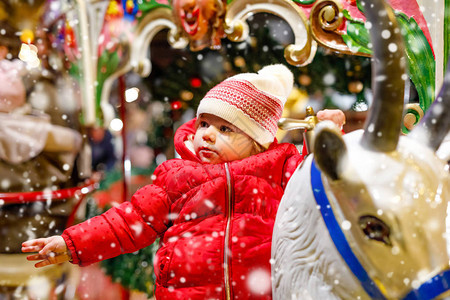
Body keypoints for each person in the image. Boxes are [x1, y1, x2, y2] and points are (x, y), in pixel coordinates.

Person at [22, 64, 345, 299]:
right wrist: (73, 243)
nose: (206, 134)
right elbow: (129, 221)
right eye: (204, 123)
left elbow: (322, 181)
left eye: (226, 129)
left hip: (264, 291)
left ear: (258, 140)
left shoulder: (280, 168)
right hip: (186, 293)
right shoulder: (179, 176)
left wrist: (328, 134)